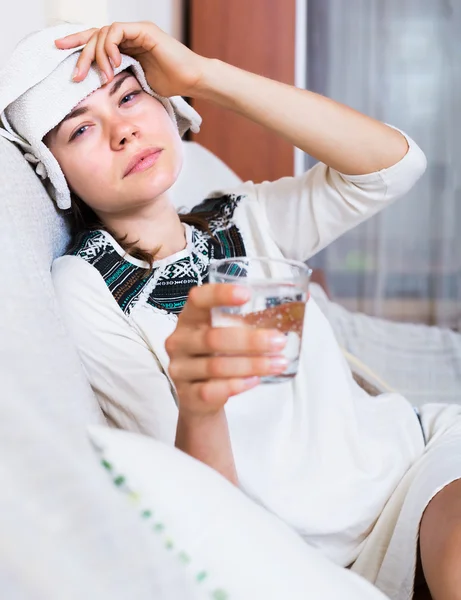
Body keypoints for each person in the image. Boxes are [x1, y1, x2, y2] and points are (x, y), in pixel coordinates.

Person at [1, 21, 461, 600]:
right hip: (306, 556)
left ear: (167, 109)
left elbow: (395, 167)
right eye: (82, 129)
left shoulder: (243, 219)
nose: (123, 132)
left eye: (129, 95)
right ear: (57, 175)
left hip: (412, 467)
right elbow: (202, 504)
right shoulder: (89, 287)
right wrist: (201, 402)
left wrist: (202, 75)